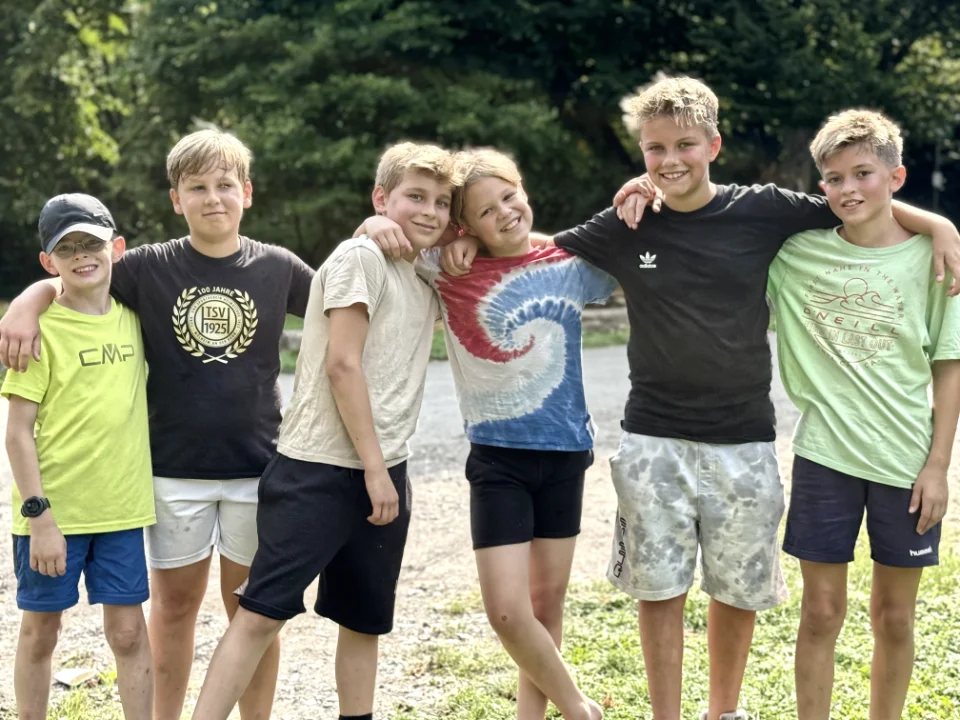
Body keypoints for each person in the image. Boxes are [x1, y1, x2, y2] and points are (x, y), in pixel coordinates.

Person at [441, 77, 960, 720]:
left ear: (714, 145)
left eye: (685, 144)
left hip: (744, 438)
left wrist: (938, 224)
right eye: (655, 148)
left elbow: (859, 204)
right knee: (659, 590)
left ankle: (723, 711)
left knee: (736, 591)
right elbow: (535, 248)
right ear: (642, 152)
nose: (670, 160)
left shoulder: (765, 210)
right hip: (652, 438)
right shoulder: (627, 223)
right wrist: (463, 238)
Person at [0, 129, 315, 720]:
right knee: (173, 610)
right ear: (176, 199)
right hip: (172, 473)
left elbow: (344, 298)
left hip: (258, 469)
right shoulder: (148, 267)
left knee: (252, 611)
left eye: (225, 185)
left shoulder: (277, 266)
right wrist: (27, 301)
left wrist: (377, 234)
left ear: (247, 192)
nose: (212, 198)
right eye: (197, 187)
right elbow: (75, 273)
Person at [188, 142, 454, 720]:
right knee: (260, 615)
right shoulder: (361, 258)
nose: (430, 211)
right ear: (381, 198)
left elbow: (492, 234)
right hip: (319, 469)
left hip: (388, 469)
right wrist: (375, 471)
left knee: (362, 621)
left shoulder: (424, 272)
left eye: (441, 202)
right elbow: (342, 365)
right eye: (415, 197)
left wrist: (465, 237)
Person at [363, 148, 613, 719]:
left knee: (546, 607)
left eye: (509, 196)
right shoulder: (449, 269)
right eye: (485, 211)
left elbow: (634, 253)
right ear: (465, 225)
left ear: (523, 189)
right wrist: (375, 224)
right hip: (498, 461)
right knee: (506, 611)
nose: (505, 212)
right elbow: (385, 236)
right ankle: (580, 709)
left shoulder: (568, 263)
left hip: (566, 451)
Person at [766, 109, 960, 720]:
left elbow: (948, 365)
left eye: (863, 173)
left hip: (907, 461)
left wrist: (938, 466)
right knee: (820, 612)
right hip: (824, 455)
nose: (847, 188)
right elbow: (718, 221)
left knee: (894, 616)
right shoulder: (793, 255)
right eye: (833, 178)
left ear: (896, 176)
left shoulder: (934, 258)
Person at [3, 194, 155, 720]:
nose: (81, 255)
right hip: (53, 516)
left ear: (117, 247)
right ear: (49, 262)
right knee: (41, 630)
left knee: (129, 633)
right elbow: (16, 434)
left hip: (121, 512)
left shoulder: (136, 318)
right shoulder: (37, 333)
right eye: (66, 248)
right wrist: (39, 517)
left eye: (91, 243)